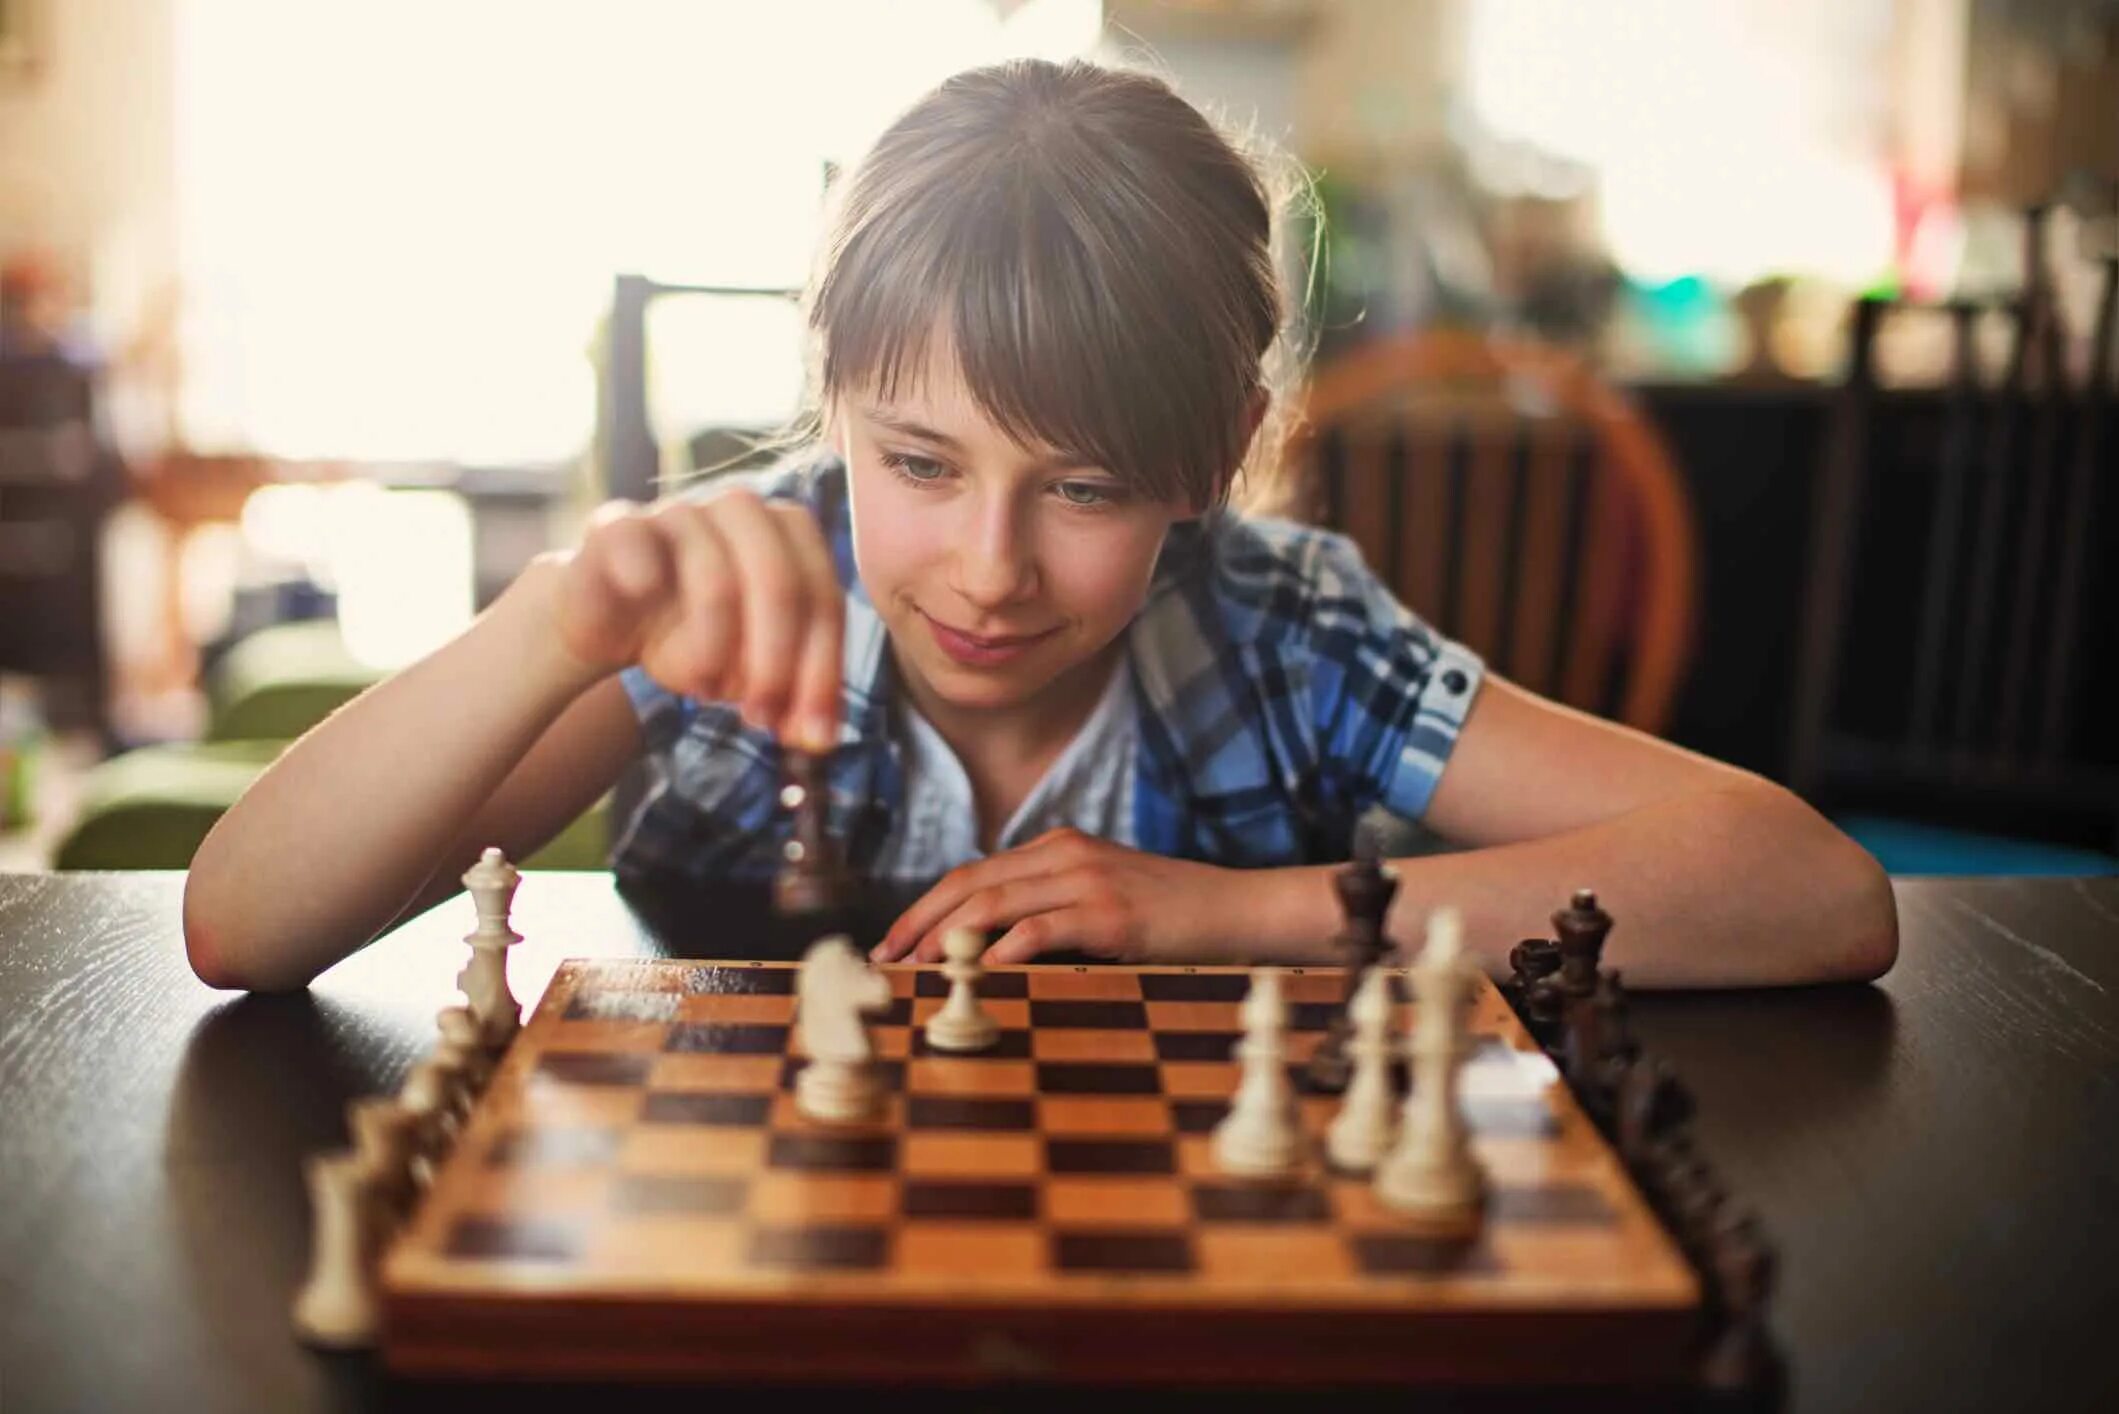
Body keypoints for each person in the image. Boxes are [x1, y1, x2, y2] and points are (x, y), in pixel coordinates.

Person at [183, 59, 1895, 994]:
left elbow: (1815, 893)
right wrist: (556, 613)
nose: (992, 567)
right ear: (832, 394)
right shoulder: (726, 593)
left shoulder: (1283, 628)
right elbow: (240, 930)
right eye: (917, 461)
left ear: (1217, 455)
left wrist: (1228, 913)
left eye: (1081, 487)